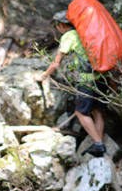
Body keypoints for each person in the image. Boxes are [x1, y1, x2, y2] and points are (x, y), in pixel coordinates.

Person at [37, 11, 106, 156]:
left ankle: (98, 144)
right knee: (97, 111)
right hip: (100, 77)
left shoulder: (69, 36)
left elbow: (56, 63)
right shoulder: (84, 33)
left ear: (62, 25)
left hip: (86, 80)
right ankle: (99, 144)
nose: (57, 28)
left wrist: (43, 75)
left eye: (57, 25)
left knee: (81, 113)